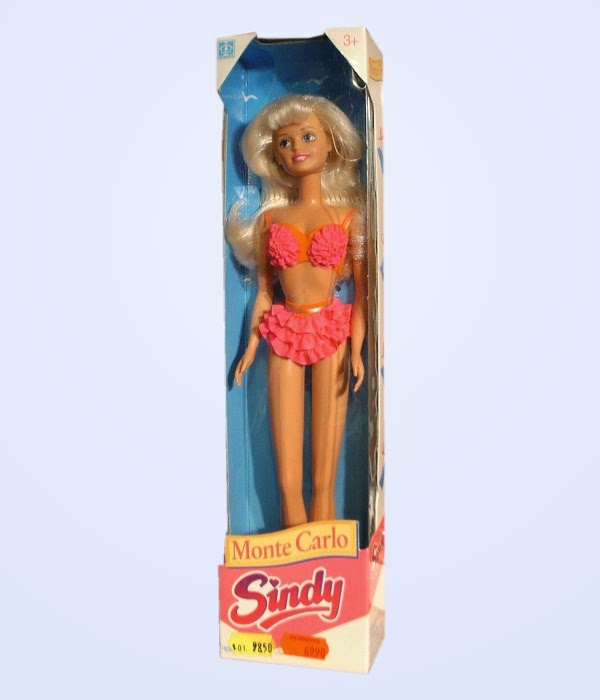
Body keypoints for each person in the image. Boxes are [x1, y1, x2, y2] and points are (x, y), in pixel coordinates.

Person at [226, 94, 367, 528]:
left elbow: (363, 297)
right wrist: (251, 346)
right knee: (288, 474)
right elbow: (264, 293)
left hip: (331, 331)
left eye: (307, 136)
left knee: (325, 473)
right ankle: (290, 547)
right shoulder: (271, 221)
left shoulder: (348, 217)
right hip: (284, 330)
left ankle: (327, 545)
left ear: (331, 144)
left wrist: (358, 351)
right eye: (284, 143)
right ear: (274, 156)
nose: (296, 149)